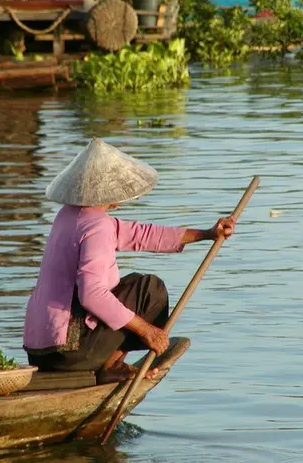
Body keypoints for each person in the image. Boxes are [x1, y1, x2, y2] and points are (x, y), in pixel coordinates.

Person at [23, 138, 235, 383]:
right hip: (67, 353)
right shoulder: (97, 225)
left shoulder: (70, 216)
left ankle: (110, 361)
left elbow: (142, 234)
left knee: (133, 283)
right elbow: (91, 295)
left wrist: (207, 234)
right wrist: (146, 330)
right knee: (149, 290)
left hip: (39, 353)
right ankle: (112, 364)